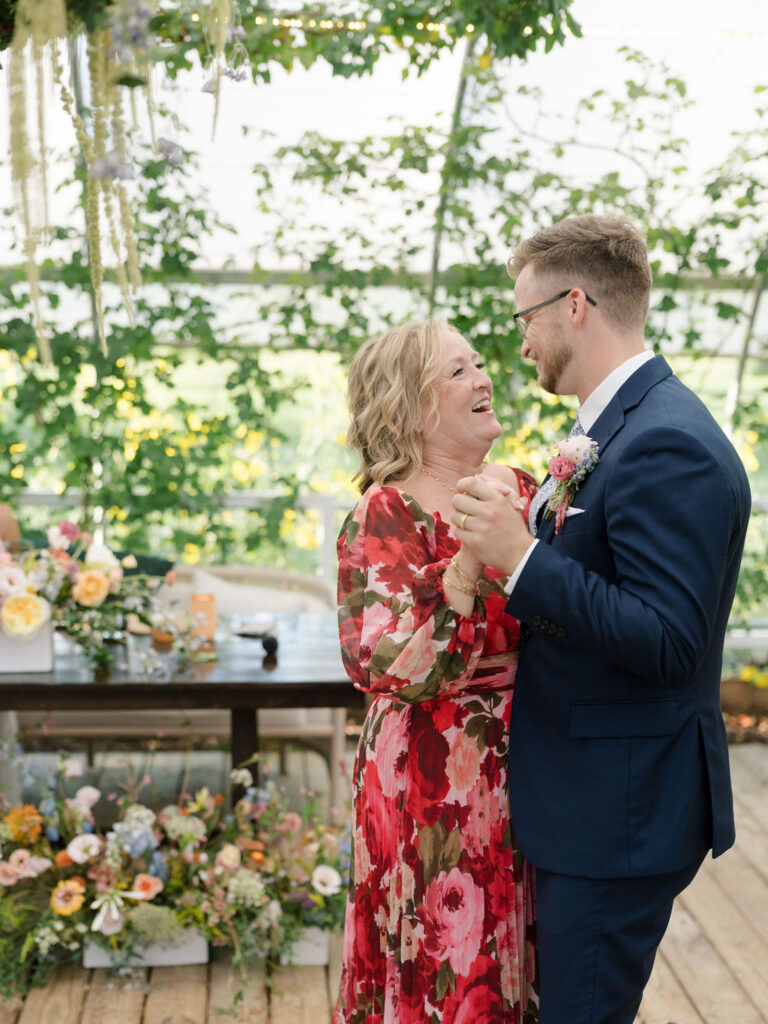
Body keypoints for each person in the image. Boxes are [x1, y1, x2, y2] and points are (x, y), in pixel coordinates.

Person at [451, 214, 752, 1024]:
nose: (519, 341)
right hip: (588, 797)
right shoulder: (618, 426)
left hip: (618, 810)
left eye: (524, 318)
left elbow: (669, 640)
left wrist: (521, 562)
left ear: (573, 306)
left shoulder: (667, 444)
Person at [333, 318, 539, 1024]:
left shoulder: (525, 486)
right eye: (458, 371)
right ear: (412, 407)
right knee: (444, 950)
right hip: (429, 777)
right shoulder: (385, 511)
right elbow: (387, 663)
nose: (484, 378)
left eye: (478, 363)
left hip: (534, 759)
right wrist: (470, 557)